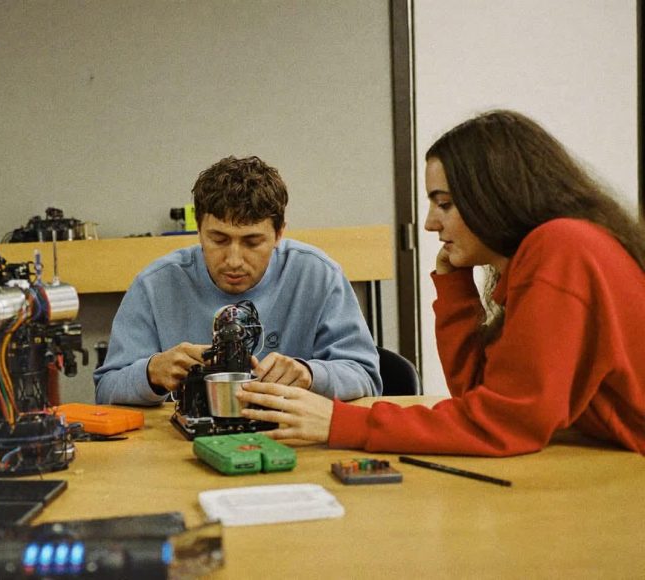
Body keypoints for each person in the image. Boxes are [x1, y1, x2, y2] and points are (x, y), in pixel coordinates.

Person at [237, 110, 645, 456]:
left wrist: (340, 422)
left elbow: (502, 424)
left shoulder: (561, 248)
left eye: (444, 204)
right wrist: (455, 289)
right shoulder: (550, 251)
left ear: (497, 196)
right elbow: (479, 396)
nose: (431, 223)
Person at [94, 155, 381, 406]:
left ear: (279, 234)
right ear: (199, 230)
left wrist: (310, 374)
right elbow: (106, 388)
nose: (233, 260)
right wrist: (151, 374)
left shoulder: (319, 276)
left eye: (252, 242)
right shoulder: (154, 285)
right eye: (218, 239)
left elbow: (366, 377)